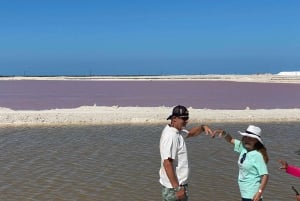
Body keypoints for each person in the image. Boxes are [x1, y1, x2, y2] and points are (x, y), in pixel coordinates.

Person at [159, 105, 213, 201]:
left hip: (177, 186)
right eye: (184, 119)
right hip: (174, 189)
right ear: (174, 119)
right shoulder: (171, 136)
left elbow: (190, 133)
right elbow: (167, 163)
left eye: (187, 118)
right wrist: (177, 189)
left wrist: (202, 127)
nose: (186, 121)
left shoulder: (176, 131)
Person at [215, 125, 269, 201]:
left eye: (250, 138)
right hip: (244, 192)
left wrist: (259, 193)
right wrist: (224, 133)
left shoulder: (257, 155)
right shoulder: (244, 148)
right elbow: (230, 139)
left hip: (252, 194)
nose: (247, 140)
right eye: (246, 137)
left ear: (256, 140)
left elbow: (265, 176)